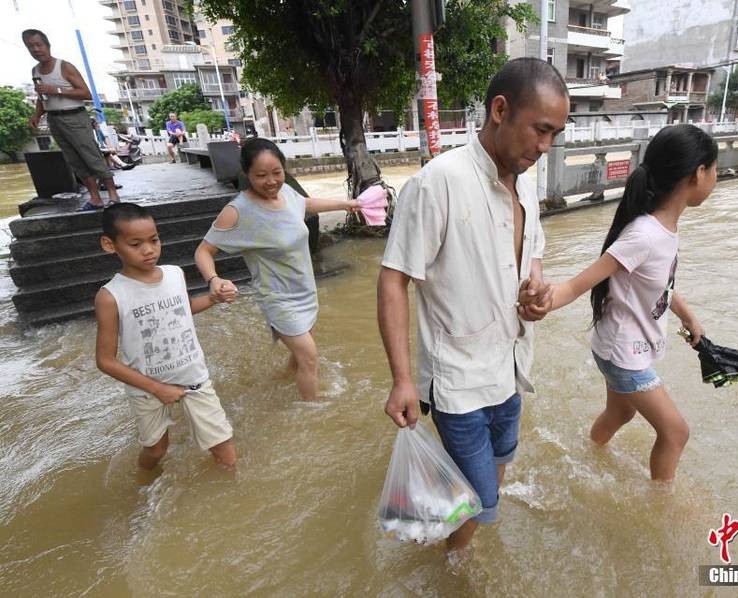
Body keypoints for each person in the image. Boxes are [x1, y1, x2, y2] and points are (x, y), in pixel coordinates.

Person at [377, 57, 568, 553]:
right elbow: (394, 280)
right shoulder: (437, 182)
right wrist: (402, 379)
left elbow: (534, 256)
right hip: (459, 382)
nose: (544, 148)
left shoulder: (526, 182)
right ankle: (454, 564)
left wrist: (537, 293)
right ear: (500, 110)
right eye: (540, 130)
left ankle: (461, 542)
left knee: (501, 462)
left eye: (555, 135)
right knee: (480, 498)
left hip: (510, 365)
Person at [519, 124, 719, 481]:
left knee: (621, 414)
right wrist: (544, 302)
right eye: (714, 169)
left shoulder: (664, 229)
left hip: (620, 347)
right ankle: (662, 506)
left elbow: (660, 285)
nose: (715, 177)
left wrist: (689, 318)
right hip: (624, 355)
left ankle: (587, 452)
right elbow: (581, 284)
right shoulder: (644, 234)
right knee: (675, 432)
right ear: (698, 173)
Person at [195, 138, 359, 402]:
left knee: (299, 356)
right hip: (277, 297)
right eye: (261, 175)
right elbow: (203, 251)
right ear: (246, 174)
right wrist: (213, 279)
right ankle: (312, 413)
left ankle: (275, 386)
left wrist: (346, 204)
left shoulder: (286, 194)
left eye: (277, 173)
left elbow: (304, 204)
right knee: (309, 356)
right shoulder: (238, 211)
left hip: (305, 291)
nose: (271, 181)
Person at [95, 203, 237, 470]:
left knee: (225, 450)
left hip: (193, 377)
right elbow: (105, 360)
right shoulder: (110, 296)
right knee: (156, 450)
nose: (149, 250)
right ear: (109, 244)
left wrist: (214, 297)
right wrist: (158, 388)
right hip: (146, 387)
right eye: (135, 244)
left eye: (154, 240)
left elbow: (183, 310)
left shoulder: (175, 274)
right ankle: (143, 488)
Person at [23, 29, 121, 211]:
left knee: (91, 155)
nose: (36, 49)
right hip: (55, 119)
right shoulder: (35, 71)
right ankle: (95, 198)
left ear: (47, 45)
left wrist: (58, 90)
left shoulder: (64, 67)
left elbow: (86, 93)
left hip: (75, 116)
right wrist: (37, 115)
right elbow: (42, 97)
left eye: (39, 45)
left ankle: (113, 195)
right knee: (74, 160)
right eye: (31, 46)